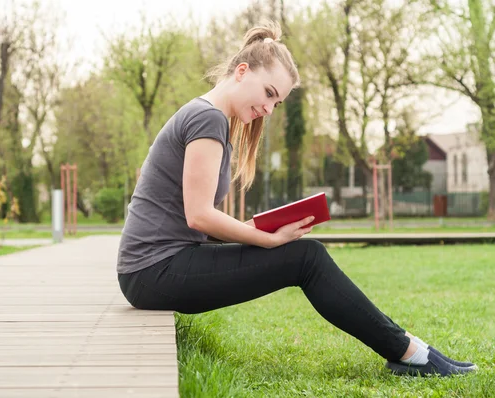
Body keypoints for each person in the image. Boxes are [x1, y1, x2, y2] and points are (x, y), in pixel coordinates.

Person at [116, 21, 476, 377]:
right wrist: (267, 238)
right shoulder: (207, 119)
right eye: (269, 93)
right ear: (242, 72)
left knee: (307, 256)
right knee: (307, 258)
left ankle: (409, 347)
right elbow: (199, 217)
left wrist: (257, 229)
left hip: (156, 269)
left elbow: (194, 221)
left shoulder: (211, 120)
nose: (270, 109)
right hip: (153, 272)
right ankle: (410, 353)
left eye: (278, 102)